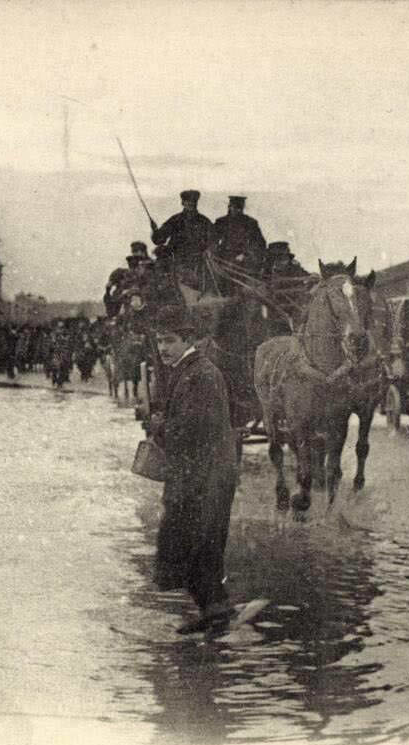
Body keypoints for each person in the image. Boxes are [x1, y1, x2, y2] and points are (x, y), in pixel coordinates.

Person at [145, 304, 239, 635]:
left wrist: (158, 426)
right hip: (199, 473)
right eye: (159, 342)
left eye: (169, 341)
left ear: (187, 340)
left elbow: (194, 427)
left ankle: (215, 612)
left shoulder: (201, 374)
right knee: (193, 543)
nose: (163, 348)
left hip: (206, 476)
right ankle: (213, 608)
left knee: (198, 543)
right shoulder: (190, 370)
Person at [151, 190, 213, 288]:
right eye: (188, 202)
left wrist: (208, 250)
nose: (191, 204)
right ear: (183, 203)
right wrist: (155, 231)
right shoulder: (175, 220)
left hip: (198, 261)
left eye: (193, 202)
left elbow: (212, 241)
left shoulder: (204, 221)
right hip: (175, 259)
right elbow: (159, 240)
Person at [212, 195, 266, 271]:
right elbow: (212, 240)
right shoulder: (221, 222)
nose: (236, 210)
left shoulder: (250, 223)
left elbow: (260, 243)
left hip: (243, 261)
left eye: (239, 208)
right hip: (223, 259)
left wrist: (246, 254)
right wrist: (215, 253)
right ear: (229, 207)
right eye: (233, 207)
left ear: (242, 208)